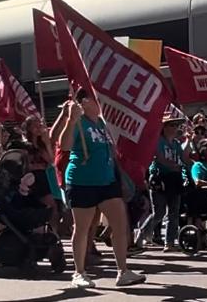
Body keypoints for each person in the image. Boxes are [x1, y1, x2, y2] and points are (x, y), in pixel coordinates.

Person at [60, 89, 145, 289]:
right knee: (82, 228)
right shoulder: (79, 121)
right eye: (98, 99)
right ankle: (79, 272)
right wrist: (70, 120)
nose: (102, 103)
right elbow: (64, 145)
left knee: (120, 225)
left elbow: (112, 154)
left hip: (107, 181)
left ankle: (123, 271)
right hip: (82, 181)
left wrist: (121, 177)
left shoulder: (102, 124)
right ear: (86, 101)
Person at [136, 114, 189, 251]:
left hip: (174, 179)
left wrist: (190, 140)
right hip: (160, 179)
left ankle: (169, 243)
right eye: (172, 125)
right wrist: (172, 165)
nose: (175, 128)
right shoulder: (158, 141)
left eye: (176, 125)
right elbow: (158, 158)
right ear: (164, 127)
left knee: (173, 212)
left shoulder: (176, 144)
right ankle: (141, 234)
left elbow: (183, 158)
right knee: (158, 212)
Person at [21, 115, 59, 234]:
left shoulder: (41, 145)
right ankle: (50, 233)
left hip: (45, 178)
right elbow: (24, 164)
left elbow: (51, 161)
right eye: (35, 125)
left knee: (53, 209)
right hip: (32, 180)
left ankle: (53, 234)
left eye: (40, 124)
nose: (38, 127)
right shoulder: (24, 145)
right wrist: (37, 166)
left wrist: (47, 143)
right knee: (51, 207)